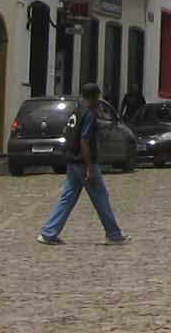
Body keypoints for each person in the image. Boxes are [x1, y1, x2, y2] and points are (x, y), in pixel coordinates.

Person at [38, 81, 126, 247]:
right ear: (94, 96)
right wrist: (90, 167)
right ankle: (113, 234)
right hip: (83, 163)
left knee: (68, 198)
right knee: (101, 197)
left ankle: (49, 232)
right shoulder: (90, 114)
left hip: (72, 161)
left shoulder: (76, 111)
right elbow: (85, 140)